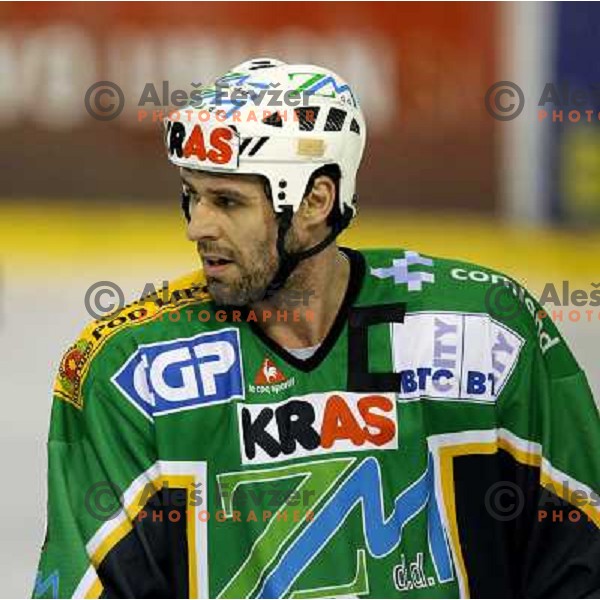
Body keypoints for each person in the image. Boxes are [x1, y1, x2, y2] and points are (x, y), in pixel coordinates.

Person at [33, 58, 599, 599]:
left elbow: (581, 559)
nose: (197, 227)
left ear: (315, 202)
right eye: (192, 196)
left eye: (227, 201)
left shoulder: (485, 333)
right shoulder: (132, 372)